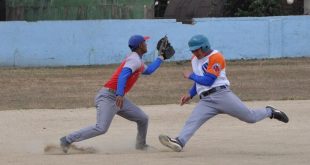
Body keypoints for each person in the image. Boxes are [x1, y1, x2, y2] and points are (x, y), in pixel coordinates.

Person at [158, 34, 289, 152]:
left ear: (204, 46)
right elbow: (199, 80)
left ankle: (270, 112)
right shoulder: (194, 59)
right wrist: (190, 94)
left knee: (250, 117)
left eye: (196, 49)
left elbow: (208, 80)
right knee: (192, 121)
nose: (194, 52)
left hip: (222, 95)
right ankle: (180, 142)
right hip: (206, 101)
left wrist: (191, 75)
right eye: (192, 50)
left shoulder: (216, 57)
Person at [60, 34, 166, 153]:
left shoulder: (137, 60)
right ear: (140, 45)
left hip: (117, 98)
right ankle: (67, 140)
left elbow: (149, 70)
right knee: (101, 128)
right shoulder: (134, 60)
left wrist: (161, 58)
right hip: (109, 96)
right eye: (145, 42)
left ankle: (141, 145)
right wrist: (120, 94)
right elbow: (123, 75)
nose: (146, 44)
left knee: (143, 118)